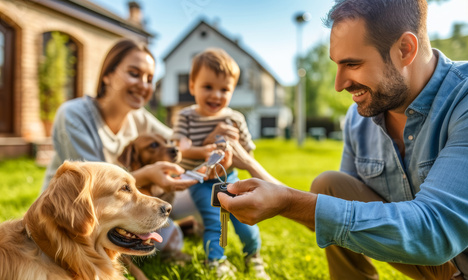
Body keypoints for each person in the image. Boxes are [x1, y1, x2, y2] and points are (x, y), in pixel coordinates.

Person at [218, 0, 468, 279]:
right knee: (330, 186)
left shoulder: (463, 100)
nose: (339, 84)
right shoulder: (358, 119)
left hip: (447, 249)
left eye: (352, 63)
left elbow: (434, 232)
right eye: (338, 64)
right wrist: (255, 169)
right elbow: (331, 214)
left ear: (404, 49)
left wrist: (289, 202)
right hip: (441, 267)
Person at [41, 39, 199, 260]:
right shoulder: (74, 115)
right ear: (108, 75)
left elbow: (178, 142)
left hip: (127, 206)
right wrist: (148, 174)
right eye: (134, 73)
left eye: (150, 79)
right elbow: (95, 193)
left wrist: (211, 141)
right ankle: (171, 232)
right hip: (74, 214)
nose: (144, 85)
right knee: (169, 236)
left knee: (206, 193)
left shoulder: (138, 117)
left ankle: (178, 229)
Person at [171, 48, 269, 279]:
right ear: (192, 85)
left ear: (232, 90)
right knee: (215, 220)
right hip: (199, 181)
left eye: (224, 89)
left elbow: (247, 154)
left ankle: (253, 255)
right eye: (208, 87)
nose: (216, 95)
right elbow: (181, 148)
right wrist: (206, 148)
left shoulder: (234, 119)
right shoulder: (186, 116)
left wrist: (231, 153)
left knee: (245, 221)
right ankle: (215, 262)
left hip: (230, 178)